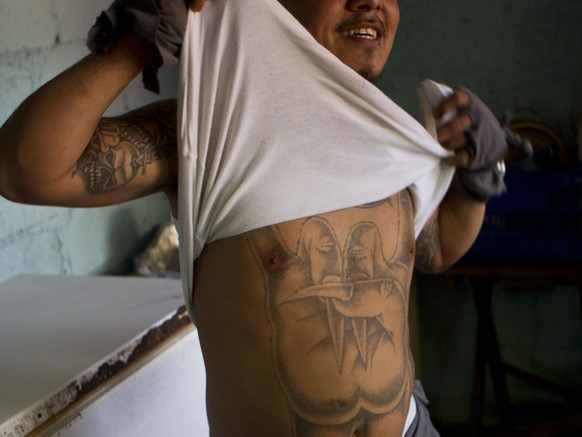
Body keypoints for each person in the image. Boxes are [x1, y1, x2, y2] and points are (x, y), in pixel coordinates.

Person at [0, 0, 512, 435]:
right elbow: (24, 171)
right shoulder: (210, 133)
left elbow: (436, 249)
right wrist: (140, 39)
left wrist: (476, 182)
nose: (369, 1)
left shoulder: (389, 141)